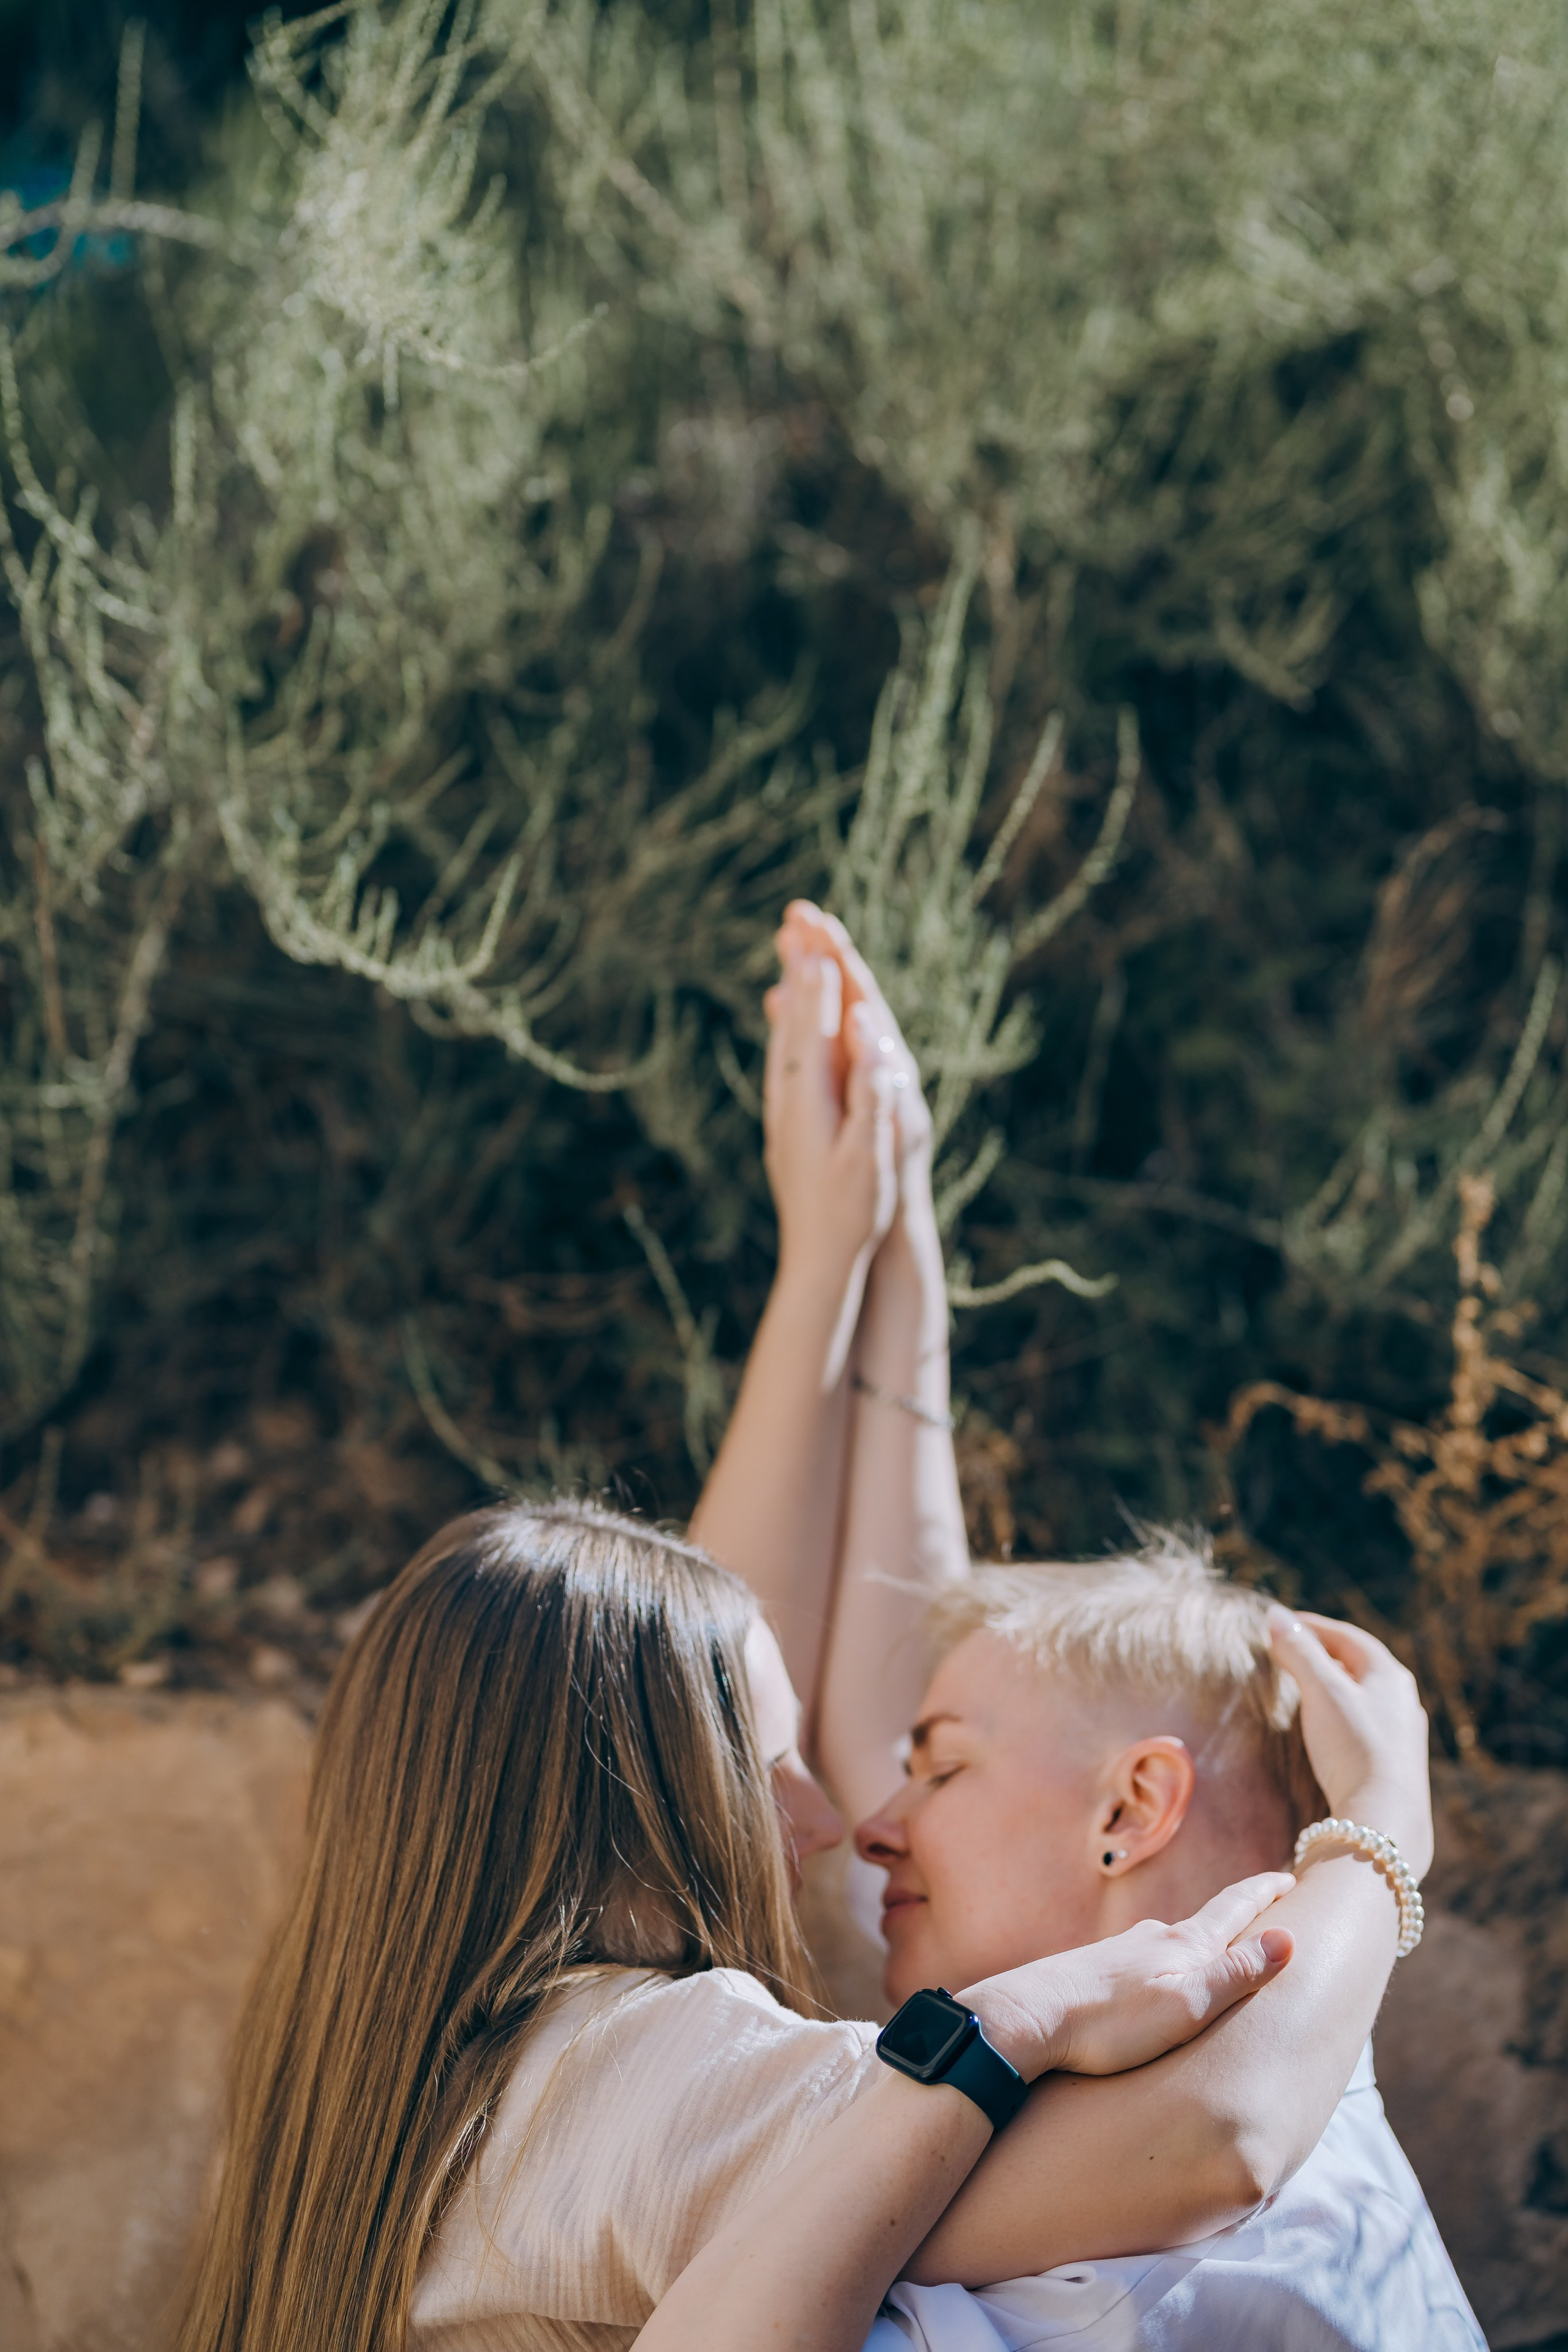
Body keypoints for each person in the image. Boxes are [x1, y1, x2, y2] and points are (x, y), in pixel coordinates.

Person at [688, 902, 1483, 2348]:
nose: (869, 1821)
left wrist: (1381, 1830)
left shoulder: (1228, 2194)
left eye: (936, 1767)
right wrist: (871, 1245)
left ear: (1130, 1810)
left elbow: (669, 1740)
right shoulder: (1212, 2062)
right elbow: (894, 1659)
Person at [175, 1494, 1295, 2352]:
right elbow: (1209, 2145)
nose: (824, 1819)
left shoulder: (340, 2078)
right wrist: (1379, 1851)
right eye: (764, 1765)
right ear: (626, 1802)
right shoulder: (642, 2064)